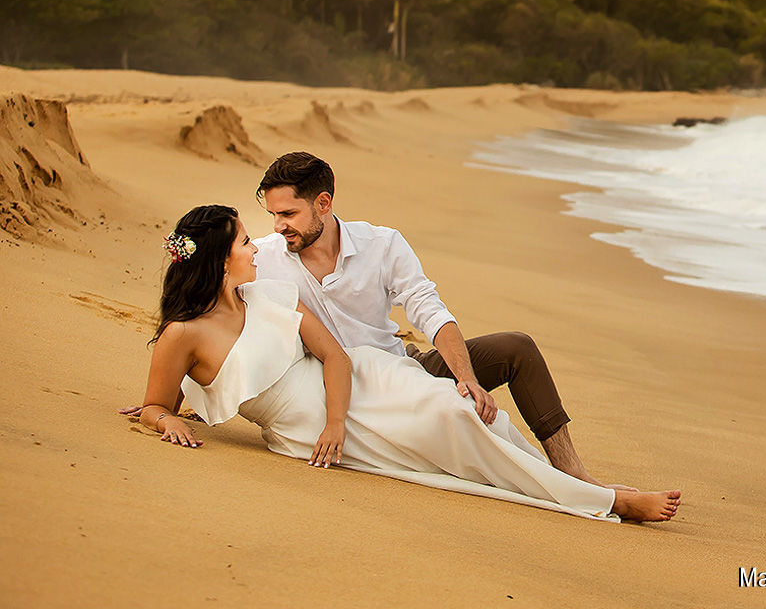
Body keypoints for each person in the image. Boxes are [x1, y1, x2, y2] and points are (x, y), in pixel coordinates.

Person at [134, 203, 680, 522]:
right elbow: (154, 404)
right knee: (450, 433)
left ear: (322, 203)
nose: (260, 244)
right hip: (301, 429)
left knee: (461, 410)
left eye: (267, 229)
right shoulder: (184, 333)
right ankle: (607, 501)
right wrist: (167, 417)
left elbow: (335, 356)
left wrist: (336, 421)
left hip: (358, 386)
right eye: (246, 241)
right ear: (218, 258)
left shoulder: (267, 296)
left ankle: (590, 490)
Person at [249, 152, 613, 488]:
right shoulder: (264, 259)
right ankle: (550, 484)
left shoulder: (382, 244)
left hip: (402, 371)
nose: (279, 226)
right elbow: (211, 307)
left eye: (288, 214)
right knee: (454, 416)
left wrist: (466, 378)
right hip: (334, 387)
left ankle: (571, 471)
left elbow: (428, 309)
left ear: (323, 203)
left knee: (517, 349)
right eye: (274, 216)